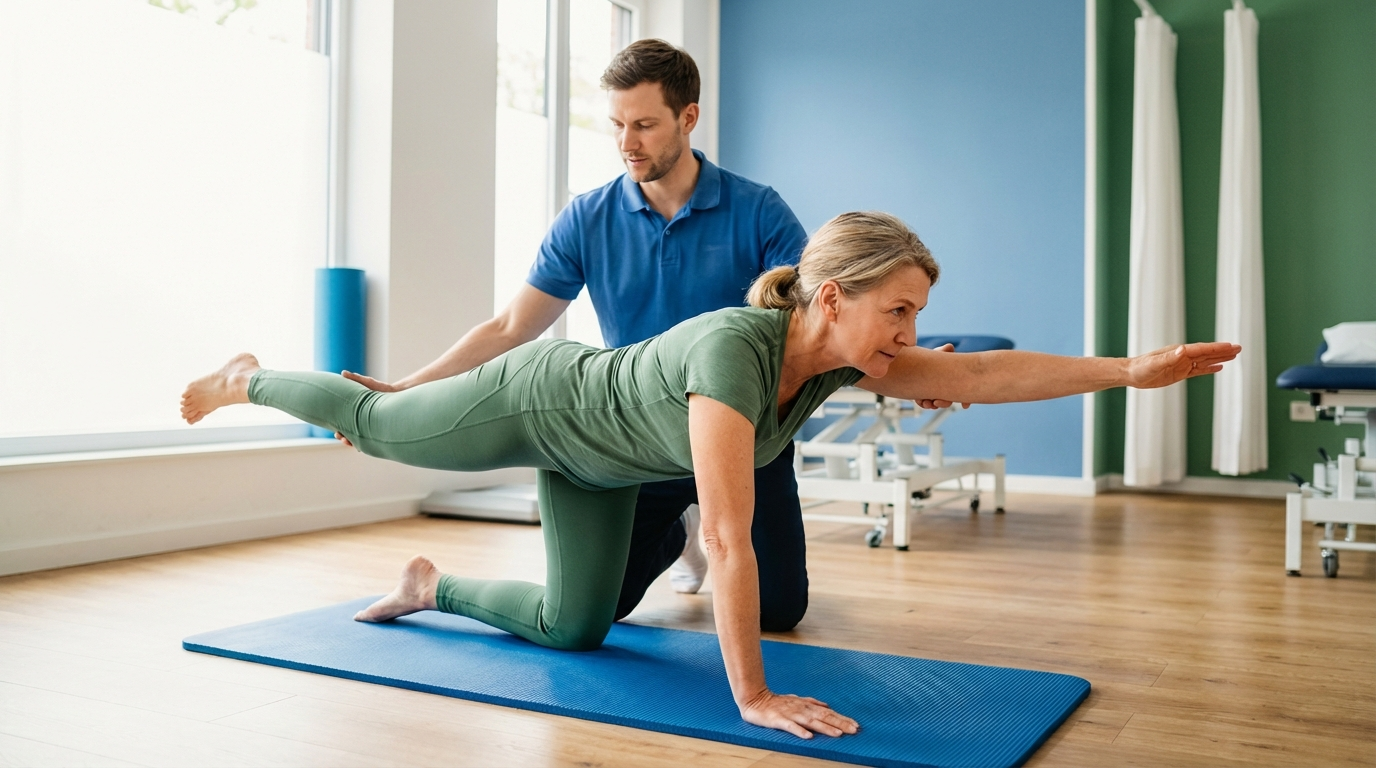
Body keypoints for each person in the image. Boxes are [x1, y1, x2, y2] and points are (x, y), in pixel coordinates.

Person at [181, 211, 1240, 739]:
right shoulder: (736, 351)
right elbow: (725, 538)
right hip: (541, 399)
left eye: (914, 314)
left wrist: (1129, 370)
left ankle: (430, 589)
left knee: (571, 628)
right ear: (828, 297)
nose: (912, 334)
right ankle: (251, 375)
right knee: (377, 424)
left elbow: (993, 372)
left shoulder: (838, 360)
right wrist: (754, 695)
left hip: (595, 469)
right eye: (898, 311)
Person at [335, 38, 830, 630]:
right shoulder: (587, 218)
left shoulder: (758, 210)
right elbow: (511, 326)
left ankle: (697, 522)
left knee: (776, 612)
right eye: (617, 124)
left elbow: (816, 321)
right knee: (599, 610)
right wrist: (405, 390)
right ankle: (673, 530)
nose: (627, 143)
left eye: (644, 125)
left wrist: (903, 362)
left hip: (745, 438)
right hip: (643, 439)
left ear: (688, 117)